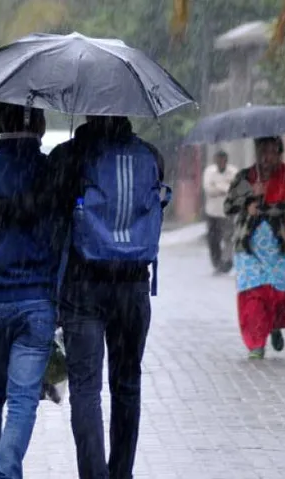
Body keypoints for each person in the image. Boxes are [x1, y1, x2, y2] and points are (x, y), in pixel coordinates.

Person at [48, 116, 167, 479]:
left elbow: (52, 220)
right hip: (133, 286)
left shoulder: (69, 155)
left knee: (86, 389)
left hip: (83, 285)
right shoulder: (151, 155)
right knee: (127, 384)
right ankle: (121, 473)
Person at [0, 102, 65, 479]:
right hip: (37, 302)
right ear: (40, 124)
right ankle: (7, 472)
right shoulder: (52, 171)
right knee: (22, 399)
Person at [223, 136, 285, 359]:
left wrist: (267, 207)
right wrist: (248, 200)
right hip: (248, 248)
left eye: (271, 152)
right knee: (253, 294)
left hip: (279, 247)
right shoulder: (245, 178)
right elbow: (228, 205)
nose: (266, 158)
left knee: (280, 295)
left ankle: (274, 325)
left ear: (279, 153)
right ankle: (255, 344)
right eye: (262, 152)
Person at [202, 150, 238, 273]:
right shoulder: (209, 172)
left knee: (229, 237)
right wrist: (225, 187)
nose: (220, 163)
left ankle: (227, 261)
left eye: (223, 160)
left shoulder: (233, 172)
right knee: (213, 239)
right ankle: (216, 262)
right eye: (218, 160)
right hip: (212, 211)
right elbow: (208, 189)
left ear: (226, 161)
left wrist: (217, 186)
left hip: (228, 211)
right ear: (215, 161)